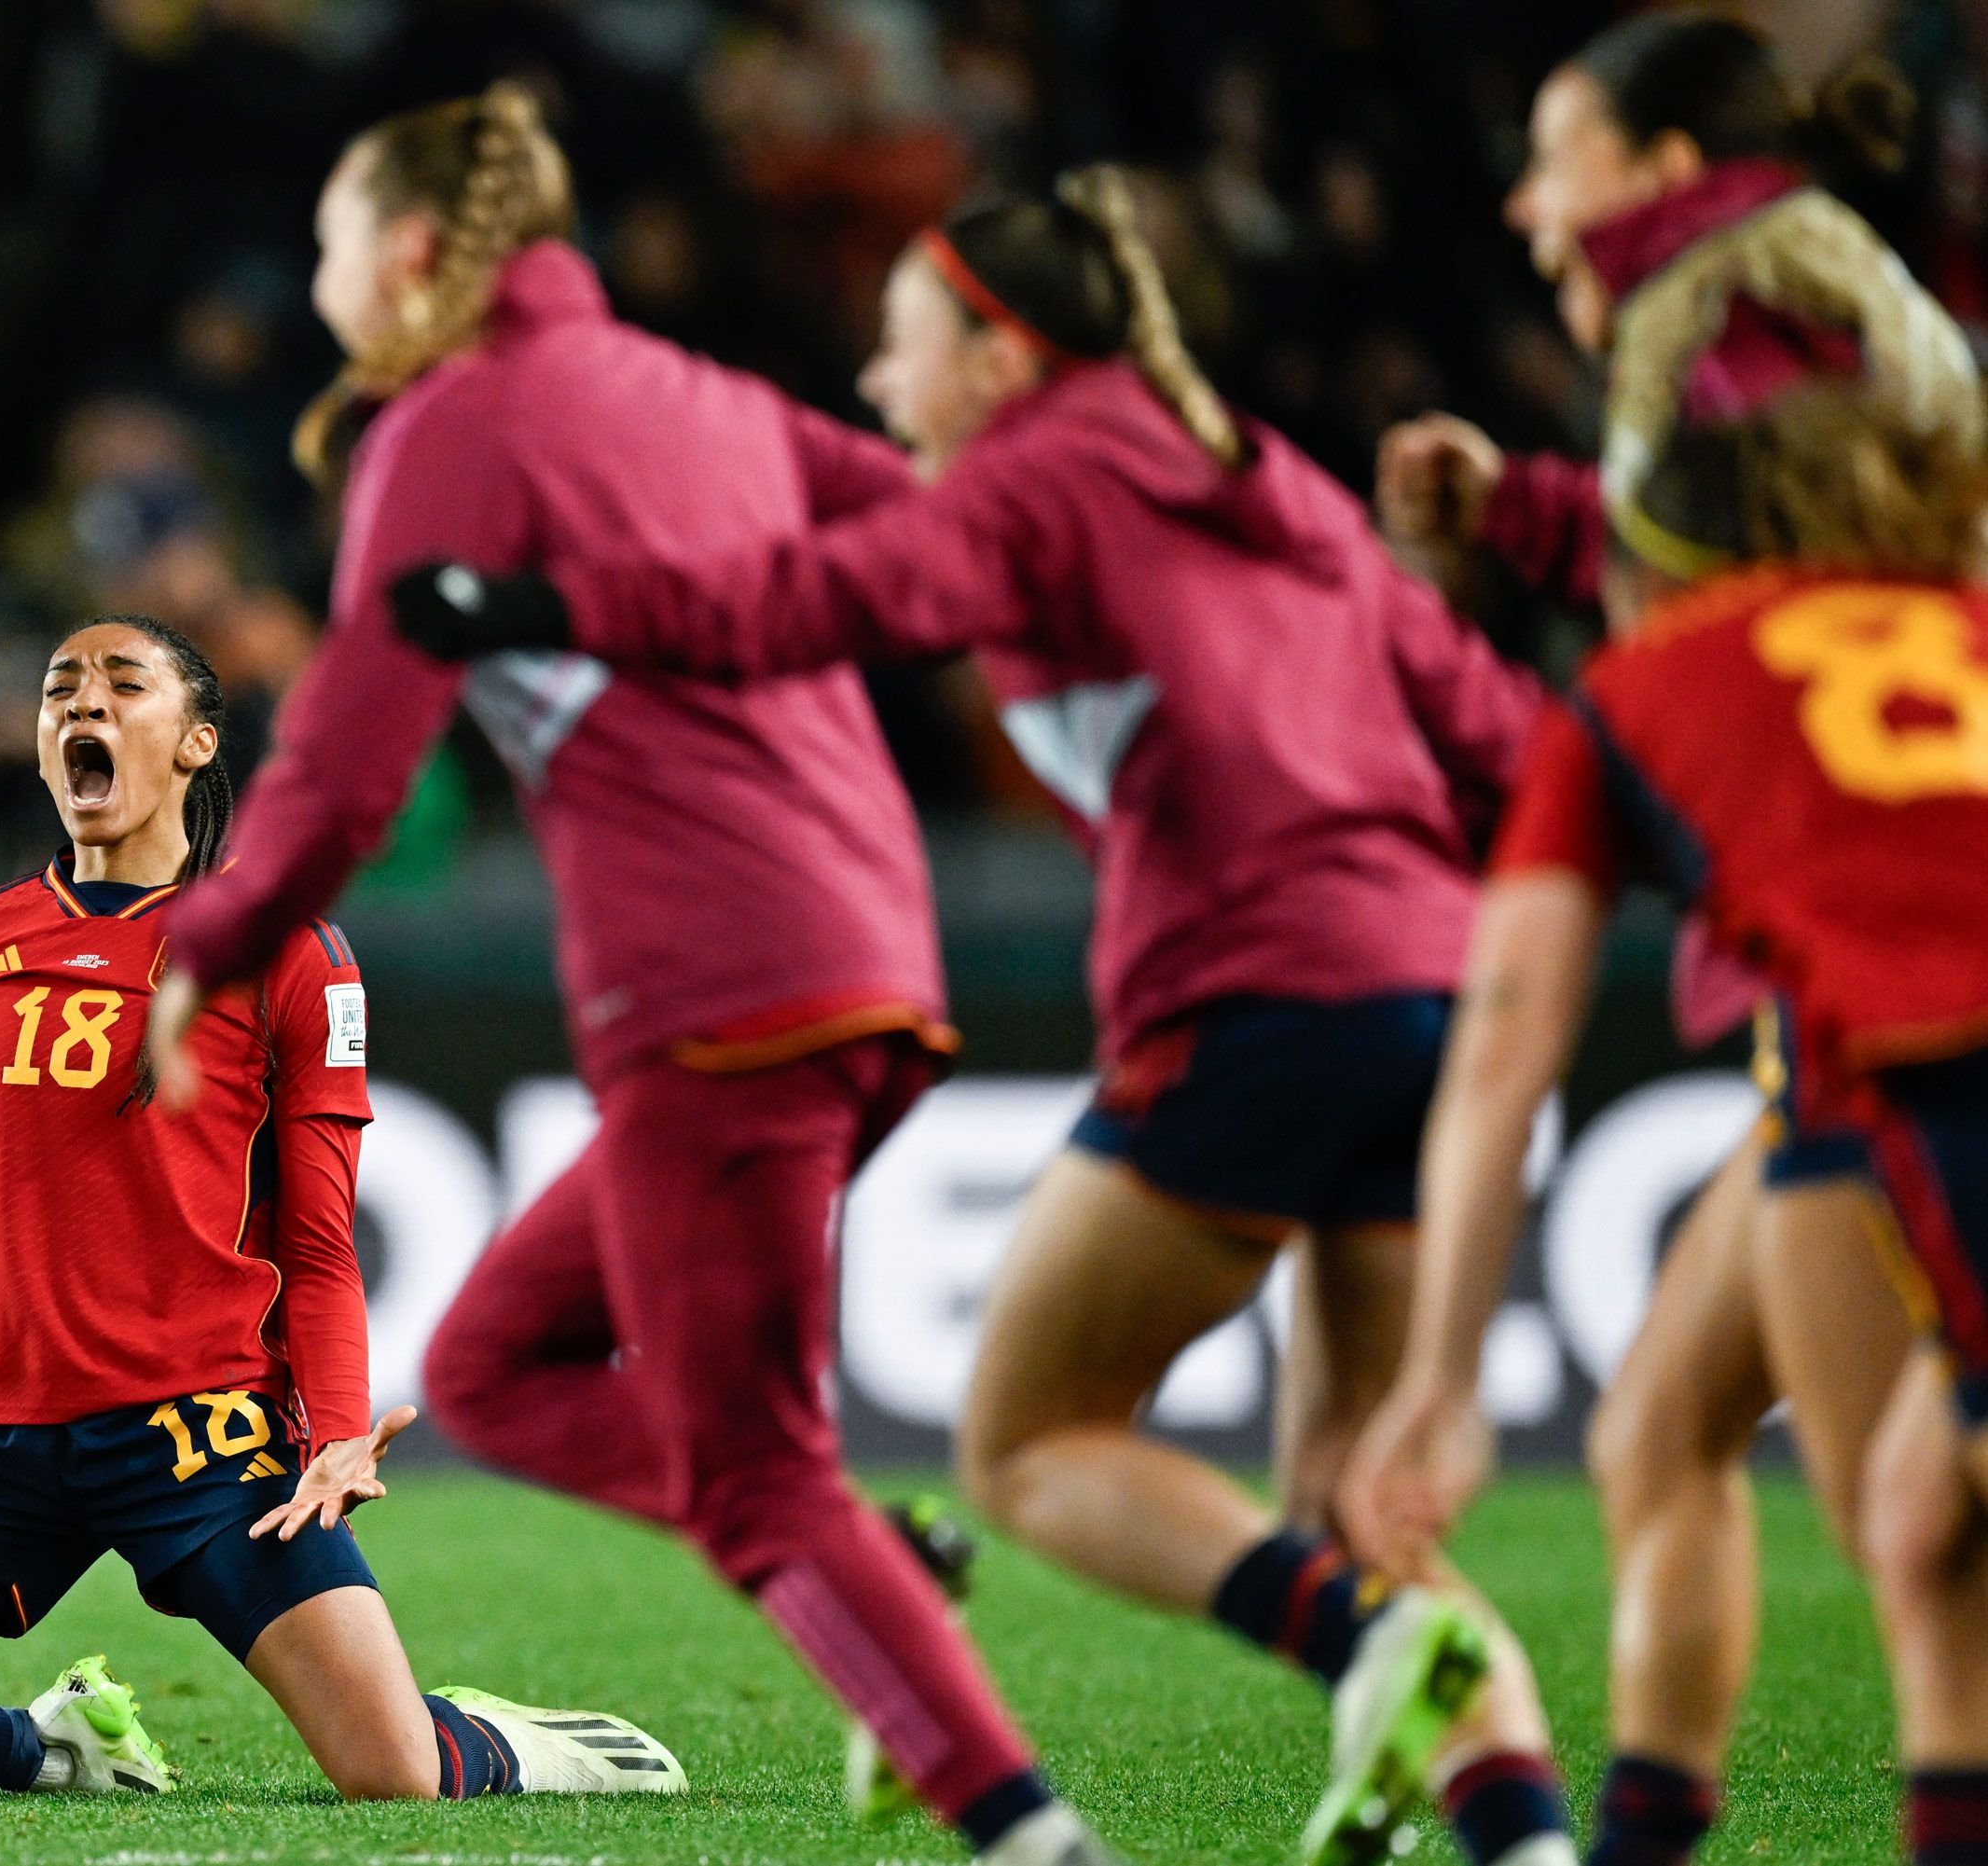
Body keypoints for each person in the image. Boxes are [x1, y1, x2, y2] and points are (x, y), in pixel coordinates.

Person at [388, 170, 1576, 1866]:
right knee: (1358, 1505)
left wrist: (535, 606)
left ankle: (1353, 1644)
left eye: (903, 343)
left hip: (1255, 996)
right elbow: (1504, 728)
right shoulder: (1258, 478)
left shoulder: (1039, 480)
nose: (881, 384)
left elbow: (800, 604)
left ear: (1001, 358)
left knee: (1029, 1445)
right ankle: (1520, 1832)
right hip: (1437, 1002)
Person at [144, 84, 1125, 1866]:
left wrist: (200, 952)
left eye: (332, 246)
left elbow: (348, 776)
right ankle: (867, 1570)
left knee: (749, 1469)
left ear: (417, 255)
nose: (318, 284)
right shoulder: (710, 398)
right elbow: (941, 547)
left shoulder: (451, 426)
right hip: (864, 957)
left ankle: (1029, 1832)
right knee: (508, 1364)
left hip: (726, 988)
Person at [0, 613, 684, 1807]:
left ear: (197, 741)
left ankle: (498, 1738)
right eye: (59, 692)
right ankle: (41, 1745)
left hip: (199, 1438)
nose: (79, 707)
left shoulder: (290, 953)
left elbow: (317, 1245)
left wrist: (336, 1427)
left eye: (120, 684)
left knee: (395, 1776)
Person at [1373, 19, 1953, 1856]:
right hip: (1891, 949)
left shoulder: (1727, 312)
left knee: (1927, 1550)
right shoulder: (1799, 291)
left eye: (1561, 150)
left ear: (1664, 155)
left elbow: (1505, 1044)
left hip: (1887, 995)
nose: (1529, 200)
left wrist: (1444, 1374)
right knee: (1661, 1435)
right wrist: (1544, 514)